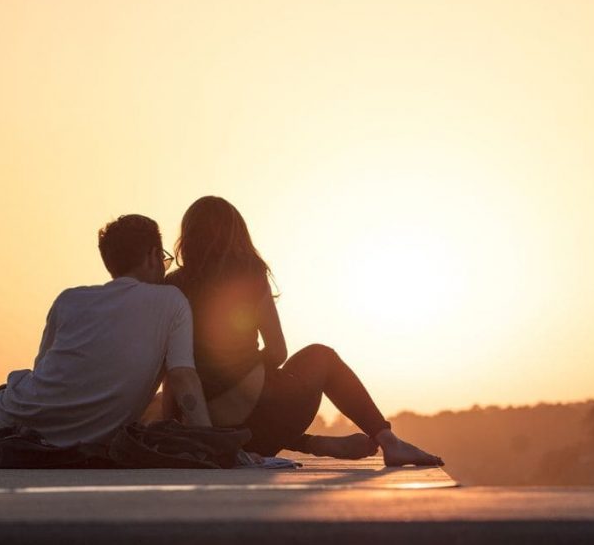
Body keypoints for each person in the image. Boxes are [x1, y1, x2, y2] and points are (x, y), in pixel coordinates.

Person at [164, 196, 443, 466]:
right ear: (237, 236)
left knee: (253, 413)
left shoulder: (172, 286)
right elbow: (278, 351)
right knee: (322, 356)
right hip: (262, 417)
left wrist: (174, 424)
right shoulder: (250, 274)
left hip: (209, 426)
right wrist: (246, 369)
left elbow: (171, 369)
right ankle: (388, 442)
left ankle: (310, 444)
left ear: (187, 238)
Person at [0, 214, 212, 446]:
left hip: (13, 422)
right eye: (164, 260)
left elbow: (45, 372)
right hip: (73, 437)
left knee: (5, 394)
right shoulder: (172, 301)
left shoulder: (69, 300)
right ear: (153, 255)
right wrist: (214, 446)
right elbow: (182, 377)